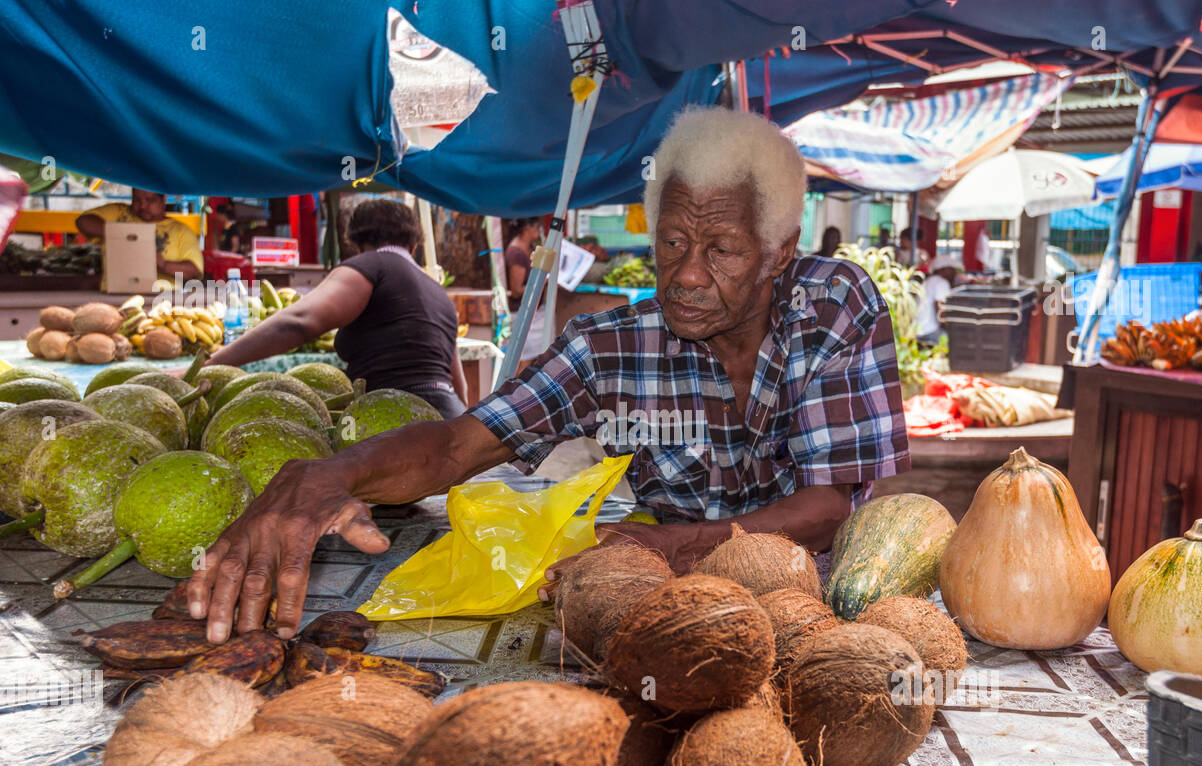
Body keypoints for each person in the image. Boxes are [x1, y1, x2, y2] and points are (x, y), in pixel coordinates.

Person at [187, 107, 909, 644]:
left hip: (818, 606)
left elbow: (827, 506)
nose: (687, 274)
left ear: (779, 252)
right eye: (673, 242)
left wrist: (674, 542)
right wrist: (332, 475)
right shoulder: (608, 348)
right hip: (670, 609)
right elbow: (456, 447)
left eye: (722, 248)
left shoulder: (832, 304)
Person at [206, 198, 468, 417]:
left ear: (354, 241)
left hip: (394, 419)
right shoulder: (439, 294)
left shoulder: (370, 267)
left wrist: (212, 364)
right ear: (414, 244)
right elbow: (459, 386)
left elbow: (299, 322)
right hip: (448, 419)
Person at [75, 188, 203, 284]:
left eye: (149, 200)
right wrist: (124, 236)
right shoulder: (119, 213)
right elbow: (83, 222)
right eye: (136, 200)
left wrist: (163, 264)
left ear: (163, 200)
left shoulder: (181, 231)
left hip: (162, 301)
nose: (142, 205)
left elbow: (194, 272)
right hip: (115, 296)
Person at [915, 254, 962, 348]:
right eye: (953, 270)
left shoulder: (929, 281)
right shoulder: (941, 283)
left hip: (918, 331)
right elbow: (942, 315)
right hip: (929, 333)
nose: (954, 273)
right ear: (945, 269)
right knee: (960, 341)